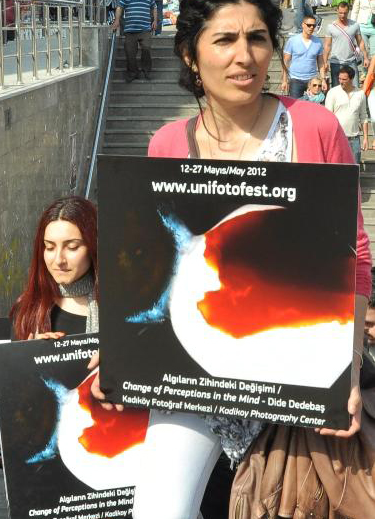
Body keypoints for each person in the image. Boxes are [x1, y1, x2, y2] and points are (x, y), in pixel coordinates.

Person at [132, 0, 373, 516]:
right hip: (196, 374)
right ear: (189, 55)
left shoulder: (314, 127)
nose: (244, 55)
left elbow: (353, 258)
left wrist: (346, 373)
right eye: (224, 40)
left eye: (257, 38)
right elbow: (157, 267)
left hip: (295, 367)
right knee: (158, 509)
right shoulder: (167, 143)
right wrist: (124, 350)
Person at [10, 196, 99, 341]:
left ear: (93, 247)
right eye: (50, 247)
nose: (58, 260)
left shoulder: (120, 307)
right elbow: (8, 363)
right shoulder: (26, 310)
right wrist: (29, 356)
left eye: (72, 247)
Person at [326, 64, 369, 163]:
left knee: (354, 169)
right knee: (336, 169)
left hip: (355, 139)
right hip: (337, 138)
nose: (341, 81)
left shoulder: (360, 94)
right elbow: (328, 117)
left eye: (344, 79)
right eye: (339, 78)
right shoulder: (332, 92)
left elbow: (364, 117)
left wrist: (366, 138)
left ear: (352, 78)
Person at [323, 1, 370, 87]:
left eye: (345, 13)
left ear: (348, 12)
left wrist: (366, 57)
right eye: (340, 13)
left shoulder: (355, 25)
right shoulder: (330, 26)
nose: (342, 15)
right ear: (337, 11)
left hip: (351, 61)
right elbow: (327, 45)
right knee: (336, 89)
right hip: (336, 61)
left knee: (355, 87)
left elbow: (360, 42)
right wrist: (325, 62)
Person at [281, 15, 326, 98]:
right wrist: (284, 80)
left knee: (312, 107)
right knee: (296, 107)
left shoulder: (318, 42)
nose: (311, 27)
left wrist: (323, 79)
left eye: (314, 25)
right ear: (303, 25)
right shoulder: (292, 41)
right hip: (295, 79)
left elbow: (321, 63)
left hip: (312, 80)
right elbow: (286, 62)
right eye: (309, 25)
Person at [113, 0, 159, 82]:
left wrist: (155, 21)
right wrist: (116, 20)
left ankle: (146, 71)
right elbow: (119, 7)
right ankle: (133, 73)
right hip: (130, 30)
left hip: (145, 29)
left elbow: (154, 7)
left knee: (146, 48)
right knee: (129, 52)